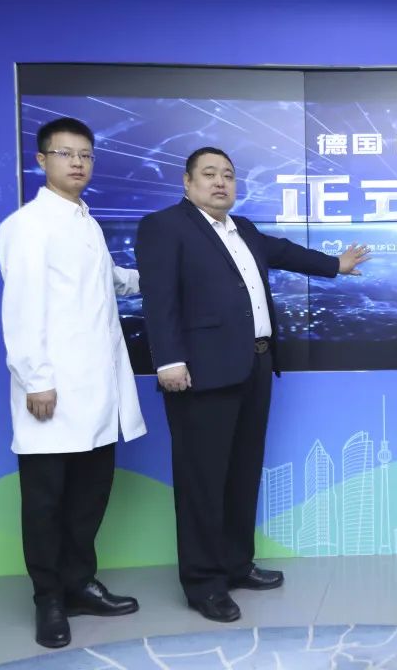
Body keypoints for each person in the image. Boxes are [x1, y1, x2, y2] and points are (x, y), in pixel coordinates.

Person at [135, 147, 370, 623]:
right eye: (209, 174)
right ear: (187, 182)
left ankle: (236, 564)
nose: (220, 182)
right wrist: (169, 361)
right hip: (199, 373)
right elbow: (159, 299)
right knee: (203, 481)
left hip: (255, 366)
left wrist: (335, 265)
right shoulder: (165, 226)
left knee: (242, 474)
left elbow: (284, 252)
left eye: (227, 175)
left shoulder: (242, 228)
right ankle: (204, 583)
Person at [0, 117, 146, 649]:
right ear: (42, 160)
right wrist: (37, 380)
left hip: (97, 390)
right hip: (52, 392)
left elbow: (108, 281)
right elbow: (21, 308)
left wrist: (159, 275)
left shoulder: (87, 222)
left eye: (85, 154)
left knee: (89, 496)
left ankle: (80, 583)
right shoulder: (28, 224)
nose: (77, 163)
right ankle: (49, 600)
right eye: (65, 154)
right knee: (46, 503)